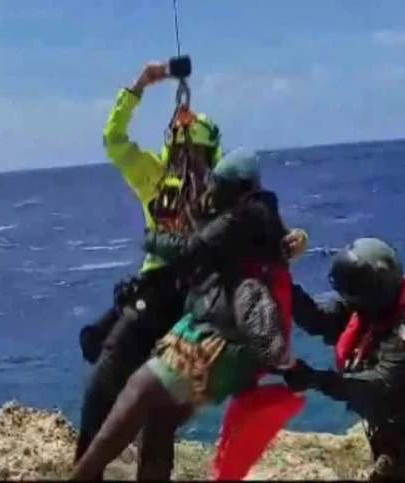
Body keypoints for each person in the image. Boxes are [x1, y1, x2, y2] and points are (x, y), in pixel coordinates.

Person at [72, 148, 306, 481]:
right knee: (159, 420)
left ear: (237, 187)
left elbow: (190, 251)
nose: (212, 188)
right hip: (227, 343)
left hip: (217, 344)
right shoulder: (259, 219)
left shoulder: (244, 216)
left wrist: (153, 238)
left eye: (218, 182)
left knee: (138, 390)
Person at [74, 61, 225, 465]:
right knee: (150, 408)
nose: (188, 160)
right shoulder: (216, 191)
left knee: (112, 391)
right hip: (188, 306)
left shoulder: (160, 178)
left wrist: (140, 85)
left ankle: (86, 468)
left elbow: (114, 139)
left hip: (165, 300)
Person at [282, 238, 405, 481]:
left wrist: (316, 379)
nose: (347, 302)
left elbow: (380, 384)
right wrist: (284, 288)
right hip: (392, 432)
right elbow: (319, 320)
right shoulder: (374, 311)